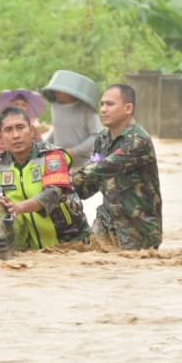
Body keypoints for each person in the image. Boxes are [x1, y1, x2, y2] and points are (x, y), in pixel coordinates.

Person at [0, 106, 88, 250]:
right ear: (0, 137)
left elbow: (53, 193)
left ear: (32, 131)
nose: (15, 135)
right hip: (32, 249)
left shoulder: (52, 155)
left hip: (71, 243)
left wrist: (19, 207)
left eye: (20, 127)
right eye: (8, 130)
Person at [72, 84, 163, 250]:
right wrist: (62, 192)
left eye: (110, 104)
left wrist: (67, 181)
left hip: (137, 229)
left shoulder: (137, 140)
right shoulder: (102, 138)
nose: (103, 109)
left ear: (128, 108)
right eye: (102, 104)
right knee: (89, 256)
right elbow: (92, 180)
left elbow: (103, 167)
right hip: (106, 220)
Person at [42, 70, 101, 166]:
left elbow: (97, 136)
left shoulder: (87, 109)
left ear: (69, 91)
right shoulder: (55, 107)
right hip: (60, 163)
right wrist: (45, 145)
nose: (55, 93)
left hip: (85, 163)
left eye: (58, 90)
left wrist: (74, 151)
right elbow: (58, 130)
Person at [0, 91, 46, 160]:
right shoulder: (3, 124)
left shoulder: (33, 125)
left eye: (23, 105)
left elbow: (41, 145)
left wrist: (36, 132)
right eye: (16, 104)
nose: (20, 107)